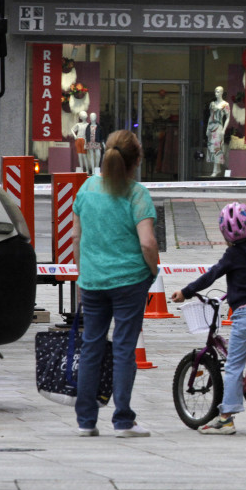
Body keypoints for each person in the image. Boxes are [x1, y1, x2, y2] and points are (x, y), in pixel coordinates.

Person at [72, 129, 159, 438]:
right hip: (129, 281)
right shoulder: (136, 194)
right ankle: (123, 420)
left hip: (93, 281)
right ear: (135, 162)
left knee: (92, 346)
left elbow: (76, 238)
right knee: (124, 349)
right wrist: (153, 270)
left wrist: (83, 275)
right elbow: (147, 243)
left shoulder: (86, 189)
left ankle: (86, 420)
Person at [170, 202, 246, 435]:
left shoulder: (233, 254)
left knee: (234, 364)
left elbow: (211, 275)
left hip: (245, 313)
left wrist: (185, 292)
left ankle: (226, 417)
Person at [206, 86, 229, 178]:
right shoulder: (212, 104)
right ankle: (217, 168)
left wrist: (224, 130)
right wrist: (207, 128)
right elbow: (210, 116)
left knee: (217, 148)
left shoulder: (225, 104)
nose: (216, 93)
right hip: (212, 127)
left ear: (222, 93)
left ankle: (215, 170)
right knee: (212, 147)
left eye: (218, 92)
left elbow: (228, 118)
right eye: (215, 91)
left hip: (219, 127)